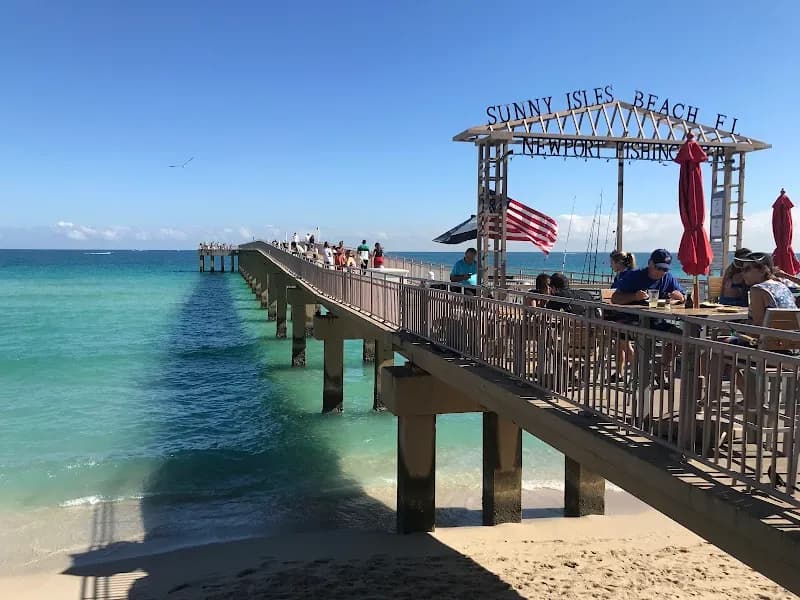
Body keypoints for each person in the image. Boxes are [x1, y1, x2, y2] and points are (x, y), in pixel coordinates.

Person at [611, 249, 685, 306]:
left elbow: (685, 297)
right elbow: (615, 298)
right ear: (649, 263)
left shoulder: (667, 278)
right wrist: (634, 297)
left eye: (665, 269)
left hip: (656, 319)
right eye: (658, 268)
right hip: (632, 319)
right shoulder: (634, 276)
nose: (661, 272)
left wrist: (681, 297)